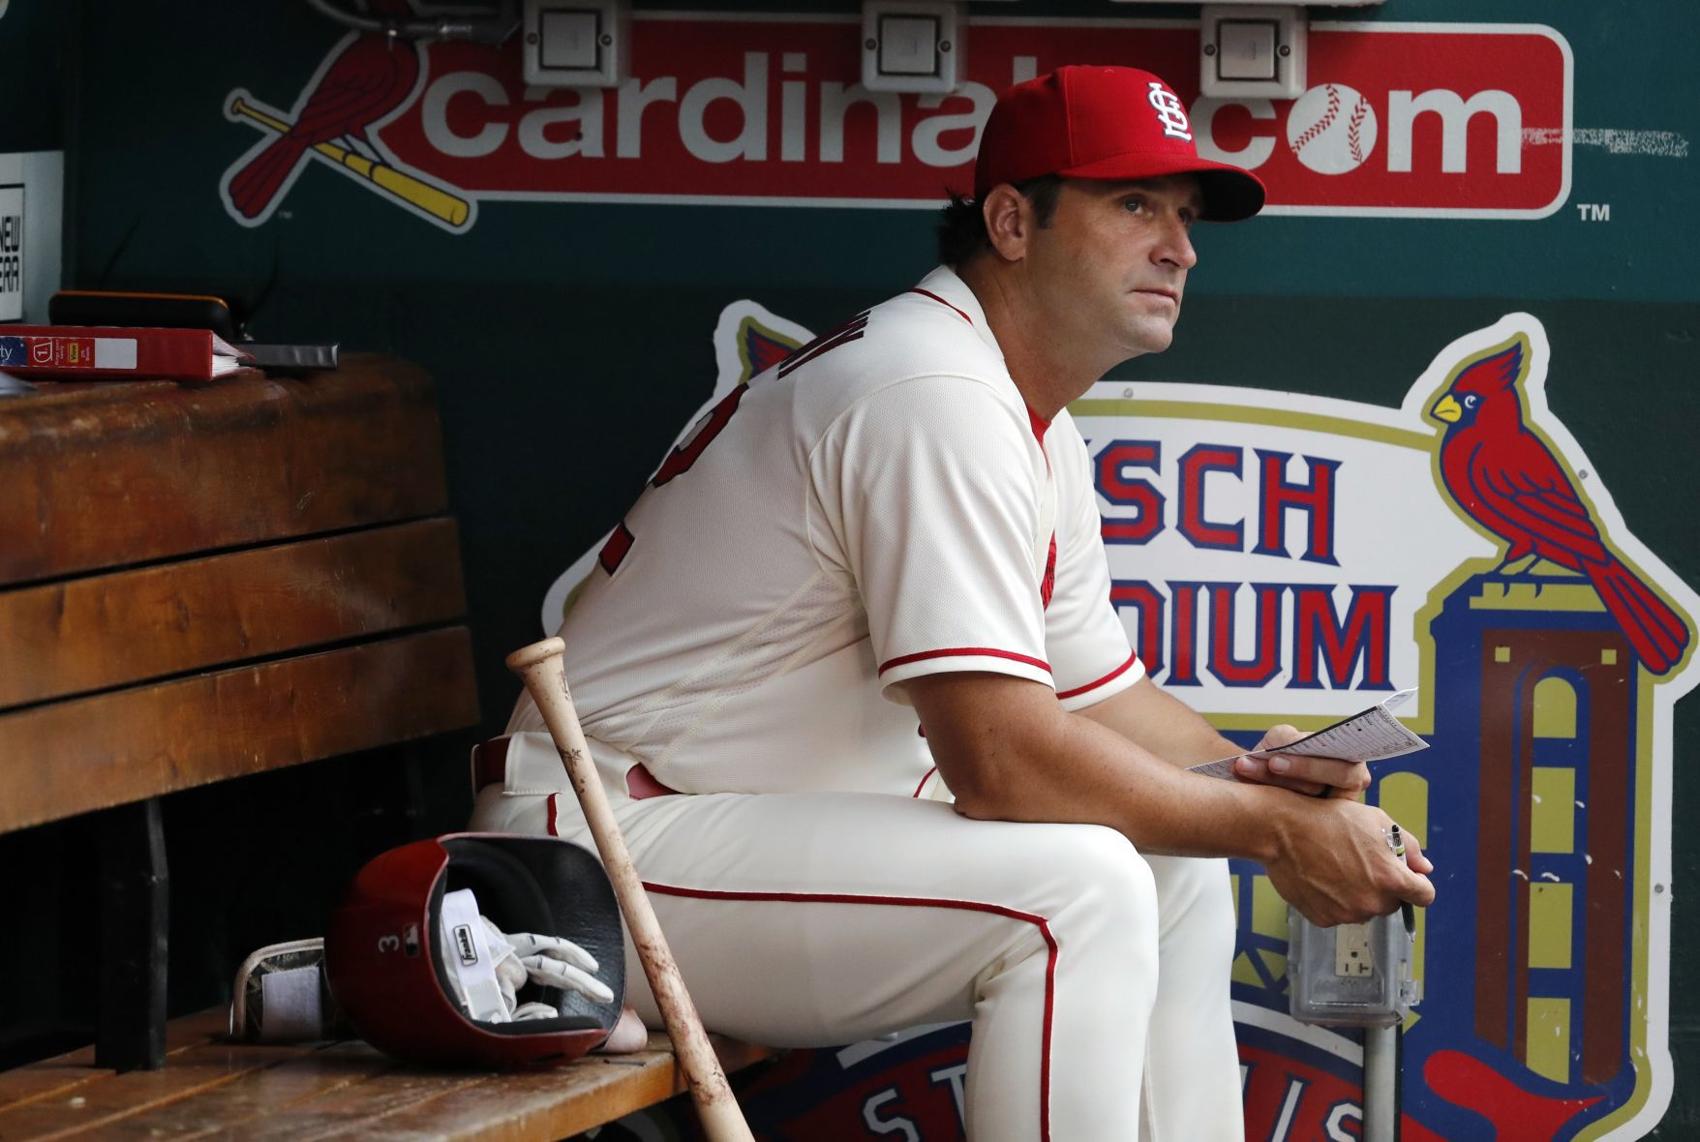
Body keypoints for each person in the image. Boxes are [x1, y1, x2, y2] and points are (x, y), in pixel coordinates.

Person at [471, 65, 1435, 1140]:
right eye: (1133, 204)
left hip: (713, 827)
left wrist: (1269, 784)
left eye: (1183, 214)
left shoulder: (1018, 409)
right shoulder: (932, 390)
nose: (1178, 246)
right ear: (1012, 221)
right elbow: (1001, 760)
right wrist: (1270, 829)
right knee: (1076, 891)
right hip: (597, 849)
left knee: (1171, 866)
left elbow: (1103, 699)